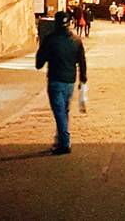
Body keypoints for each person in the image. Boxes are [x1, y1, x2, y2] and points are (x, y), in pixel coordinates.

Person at [35, 10, 87, 155]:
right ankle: (60, 139)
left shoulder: (50, 40)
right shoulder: (76, 40)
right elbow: (82, 61)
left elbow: (39, 63)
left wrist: (43, 50)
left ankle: (64, 143)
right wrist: (83, 79)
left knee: (59, 111)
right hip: (70, 80)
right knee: (64, 110)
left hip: (55, 79)